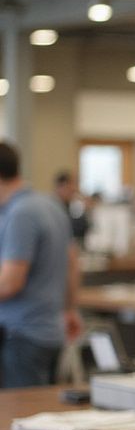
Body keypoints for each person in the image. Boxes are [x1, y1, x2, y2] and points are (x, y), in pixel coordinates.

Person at [0, 142, 83, 386]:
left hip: (22, 334)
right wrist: (69, 309)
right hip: (50, 331)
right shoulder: (50, 204)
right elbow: (72, 264)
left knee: (19, 417)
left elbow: (10, 282)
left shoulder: (20, 213)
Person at [53, 169, 90, 244]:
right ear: (62, 186)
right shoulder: (54, 208)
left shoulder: (69, 205)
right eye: (71, 186)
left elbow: (83, 227)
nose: (74, 189)